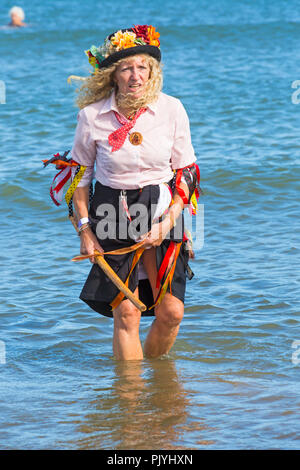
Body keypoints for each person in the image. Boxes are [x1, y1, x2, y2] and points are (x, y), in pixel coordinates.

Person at [70, 25, 200, 361]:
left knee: (171, 312)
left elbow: (186, 175)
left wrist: (166, 222)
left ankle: (158, 382)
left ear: (152, 72)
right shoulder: (91, 117)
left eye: (142, 67)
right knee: (126, 312)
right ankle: (130, 400)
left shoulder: (172, 110)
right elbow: (79, 180)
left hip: (163, 207)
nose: (135, 75)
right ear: (113, 75)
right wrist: (85, 231)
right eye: (126, 68)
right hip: (111, 210)